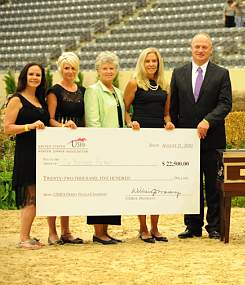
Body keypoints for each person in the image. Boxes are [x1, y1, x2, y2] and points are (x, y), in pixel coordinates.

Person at [170, 32, 232, 239]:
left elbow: (225, 104)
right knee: (191, 183)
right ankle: (192, 225)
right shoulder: (178, 73)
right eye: (197, 46)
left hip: (213, 138)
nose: (200, 50)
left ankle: (214, 226)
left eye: (204, 47)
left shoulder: (222, 74)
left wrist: (208, 121)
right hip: (187, 141)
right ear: (191, 48)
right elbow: (174, 107)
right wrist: (174, 131)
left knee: (213, 184)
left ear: (211, 50)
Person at [124, 48, 174, 243]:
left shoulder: (164, 86)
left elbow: (166, 114)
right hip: (139, 137)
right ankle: (143, 227)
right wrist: (130, 123)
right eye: (148, 61)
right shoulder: (133, 83)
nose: (151, 64)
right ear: (142, 63)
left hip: (159, 140)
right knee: (142, 183)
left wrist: (168, 123)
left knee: (157, 184)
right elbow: (126, 110)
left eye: (154, 61)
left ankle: (155, 227)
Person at [3, 63, 49, 249]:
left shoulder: (40, 99)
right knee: (31, 196)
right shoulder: (16, 99)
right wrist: (29, 126)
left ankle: (27, 234)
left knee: (36, 196)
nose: (34, 77)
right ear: (25, 76)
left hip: (42, 154)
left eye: (38, 75)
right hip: (27, 154)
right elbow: (7, 128)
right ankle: (23, 238)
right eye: (31, 74)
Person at [84, 51, 126, 245]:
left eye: (112, 68)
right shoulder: (93, 91)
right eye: (105, 68)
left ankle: (106, 232)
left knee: (112, 190)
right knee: (100, 190)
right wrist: (101, 148)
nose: (109, 71)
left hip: (118, 148)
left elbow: (121, 121)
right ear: (98, 71)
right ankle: (98, 233)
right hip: (101, 148)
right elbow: (93, 122)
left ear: (116, 70)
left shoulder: (118, 92)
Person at [46, 52, 84, 245]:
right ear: (61, 68)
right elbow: (50, 119)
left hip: (77, 143)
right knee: (55, 188)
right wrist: (63, 127)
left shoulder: (83, 90)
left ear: (77, 69)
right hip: (58, 141)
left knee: (69, 188)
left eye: (73, 68)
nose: (70, 71)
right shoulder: (54, 91)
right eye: (66, 67)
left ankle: (66, 231)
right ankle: (52, 232)